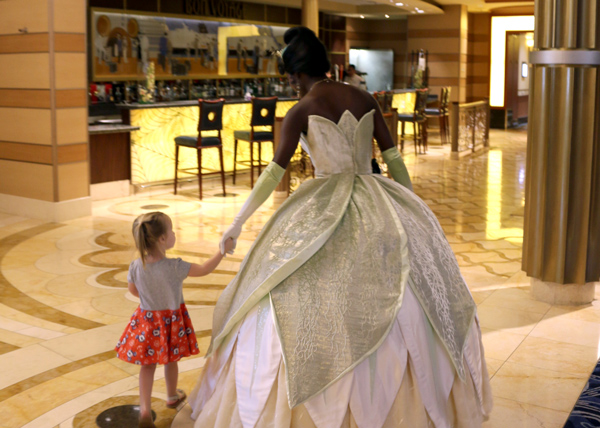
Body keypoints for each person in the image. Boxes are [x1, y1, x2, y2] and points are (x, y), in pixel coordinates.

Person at [189, 26, 492, 428]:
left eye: (290, 78)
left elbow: (271, 174)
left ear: (297, 75)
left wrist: (238, 222)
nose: (291, 84)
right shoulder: (364, 98)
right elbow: (394, 159)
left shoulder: (301, 110)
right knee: (405, 283)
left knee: (296, 284)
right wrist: (416, 207)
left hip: (322, 201)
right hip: (378, 196)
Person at [115, 211, 234, 428]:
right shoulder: (175, 267)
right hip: (171, 323)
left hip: (146, 321)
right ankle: (171, 395)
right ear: (162, 239)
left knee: (147, 365)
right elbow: (205, 269)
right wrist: (221, 251)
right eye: (171, 230)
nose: (174, 233)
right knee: (171, 360)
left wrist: (151, 297)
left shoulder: (136, 266)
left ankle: (144, 409)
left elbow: (134, 291)